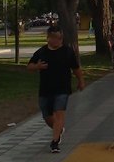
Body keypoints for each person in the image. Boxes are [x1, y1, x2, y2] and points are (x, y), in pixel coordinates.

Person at [27, 25, 85, 153]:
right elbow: (29, 66)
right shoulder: (42, 52)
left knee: (59, 113)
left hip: (62, 88)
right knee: (47, 116)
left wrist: (81, 81)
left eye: (60, 38)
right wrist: (37, 66)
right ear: (48, 38)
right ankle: (58, 129)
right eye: (55, 38)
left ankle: (55, 142)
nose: (58, 41)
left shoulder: (67, 51)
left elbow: (76, 68)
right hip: (45, 89)